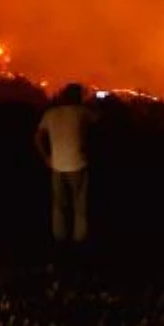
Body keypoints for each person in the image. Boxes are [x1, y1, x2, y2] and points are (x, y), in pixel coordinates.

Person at [34, 83, 99, 246]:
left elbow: (37, 137)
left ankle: (59, 240)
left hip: (57, 166)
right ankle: (79, 241)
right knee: (80, 204)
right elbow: (99, 120)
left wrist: (46, 158)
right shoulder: (82, 112)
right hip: (78, 164)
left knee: (58, 205)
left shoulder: (50, 114)